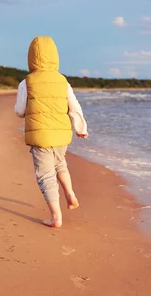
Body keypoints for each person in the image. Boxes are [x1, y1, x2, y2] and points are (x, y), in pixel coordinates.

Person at [14, 36, 89, 228]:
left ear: (31, 57)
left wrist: (25, 113)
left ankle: (56, 217)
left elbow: (19, 110)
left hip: (40, 136)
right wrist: (81, 128)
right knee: (60, 164)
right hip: (62, 135)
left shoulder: (27, 82)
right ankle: (70, 193)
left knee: (45, 174)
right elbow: (74, 107)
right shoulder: (62, 80)